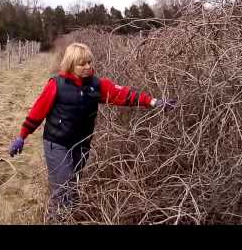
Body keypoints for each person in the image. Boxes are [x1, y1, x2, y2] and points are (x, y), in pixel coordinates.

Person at [9, 42, 176, 220]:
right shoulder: (56, 84)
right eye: (82, 64)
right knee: (64, 189)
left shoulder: (97, 85)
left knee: (73, 187)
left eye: (89, 62)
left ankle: (67, 217)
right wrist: (22, 136)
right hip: (56, 144)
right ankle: (55, 219)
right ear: (71, 65)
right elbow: (38, 111)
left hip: (81, 145)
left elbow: (125, 95)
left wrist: (153, 102)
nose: (88, 67)